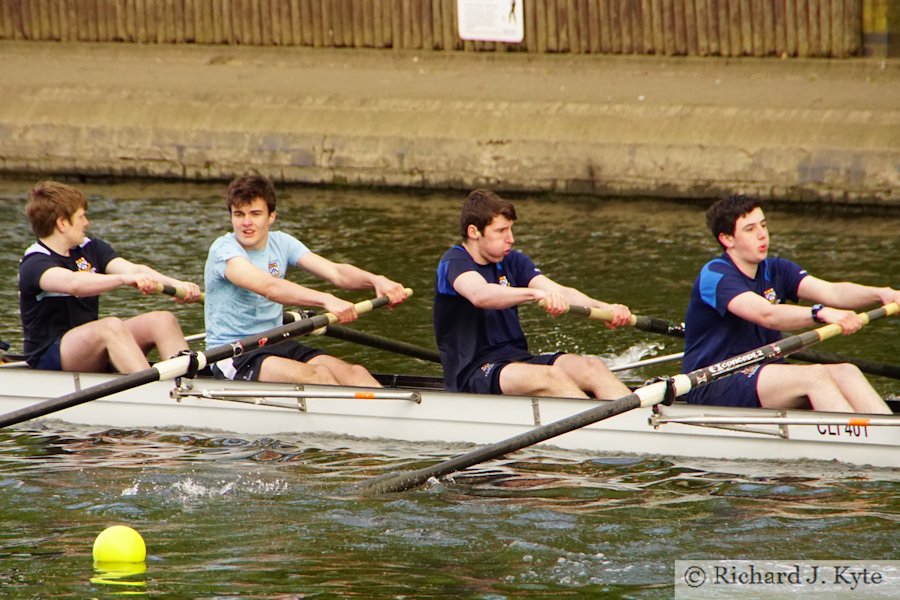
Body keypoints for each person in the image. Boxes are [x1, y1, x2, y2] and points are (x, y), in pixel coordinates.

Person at [682, 194, 896, 414]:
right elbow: (767, 315)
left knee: (847, 371)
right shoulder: (715, 275)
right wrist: (819, 313)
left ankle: (888, 438)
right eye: (750, 229)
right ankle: (858, 444)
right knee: (816, 377)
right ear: (727, 239)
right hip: (714, 381)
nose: (762, 234)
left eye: (763, 225)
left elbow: (832, 292)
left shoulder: (778, 269)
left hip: (764, 374)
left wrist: (883, 294)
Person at [204, 175, 408, 386]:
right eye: (239, 214)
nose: (246, 223)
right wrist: (326, 300)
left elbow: (336, 272)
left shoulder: (282, 242)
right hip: (233, 352)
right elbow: (270, 288)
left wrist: (376, 280)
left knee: (357, 374)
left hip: (276, 342)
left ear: (271, 216)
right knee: (319, 376)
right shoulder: (224, 251)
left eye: (255, 214)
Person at [433, 189, 634, 399]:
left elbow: (559, 291)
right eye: (501, 231)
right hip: (474, 371)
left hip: (517, 360)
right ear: (474, 232)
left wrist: (604, 307)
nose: (511, 239)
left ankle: (637, 424)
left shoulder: (512, 261)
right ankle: (602, 428)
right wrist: (534, 294)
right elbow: (480, 295)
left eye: (510, 230)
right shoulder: (454, 262)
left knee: (593, 366)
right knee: (551, 376)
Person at [18, 181, 202, 373]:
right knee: (110, 327)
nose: (86, 223)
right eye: (81, 217)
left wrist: (178, 285)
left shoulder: (90, 248)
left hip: (91, 342)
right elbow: (74, 284)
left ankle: (188, 388)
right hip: (51, 354)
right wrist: (122, 280)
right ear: (62, 223)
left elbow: (133, 269)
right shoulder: (35, 263)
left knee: (162, 320)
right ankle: (152, 394)